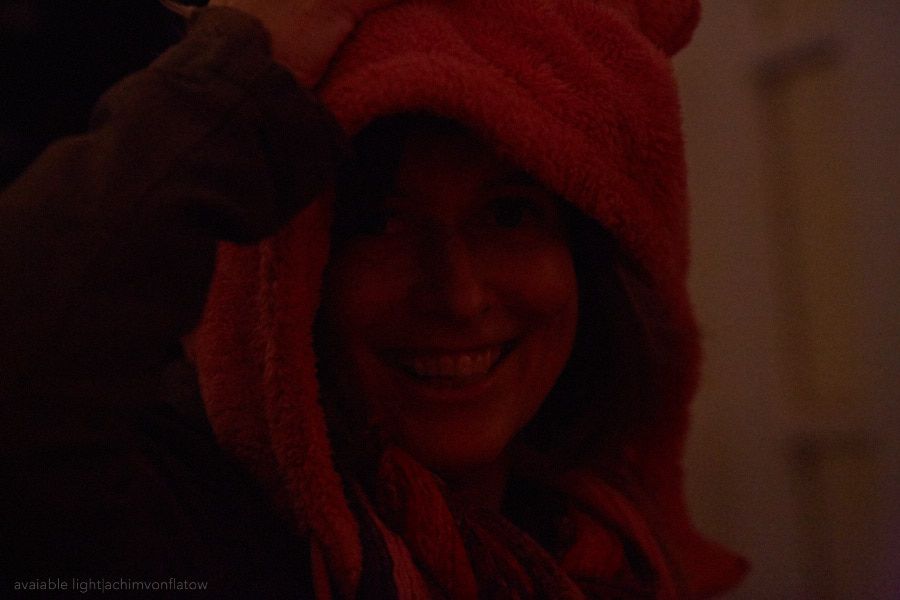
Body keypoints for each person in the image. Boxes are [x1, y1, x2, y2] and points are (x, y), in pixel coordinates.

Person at [1, 0, 747, 597]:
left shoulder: (608, 546)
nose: (459, 297)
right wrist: (238, 75)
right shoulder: (174, 535)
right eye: (380, 223)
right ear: (278, 283)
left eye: (509, 214)